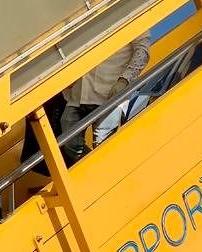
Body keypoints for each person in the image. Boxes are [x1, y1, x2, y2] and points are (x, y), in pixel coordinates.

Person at [61, 32, 151, 163]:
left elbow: (142, 52)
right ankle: (95, 167)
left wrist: (124, 80)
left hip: (110, 95)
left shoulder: (131, 20)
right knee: (69, 142)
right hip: (78, 94)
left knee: (102, 145)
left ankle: (101, 168)